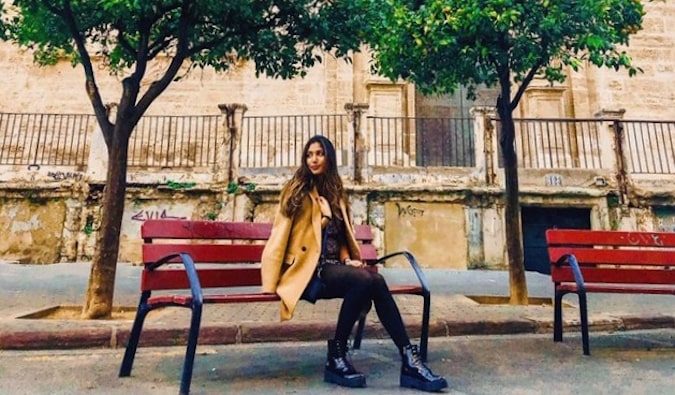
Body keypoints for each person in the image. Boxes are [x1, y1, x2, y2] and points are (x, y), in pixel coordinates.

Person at [261, 135, 448, 392]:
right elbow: (282, 236)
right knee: (366, 281)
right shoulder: (296, 191)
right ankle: (348, 356)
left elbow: (341, 238)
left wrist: (349, 258)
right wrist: (323, 218)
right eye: (309, 154)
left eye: (319, 153)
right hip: (307, 272)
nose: (313, 159)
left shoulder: (337, 193)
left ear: (329, 158)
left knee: (374, 281)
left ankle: (406, 358)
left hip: (332, 269)